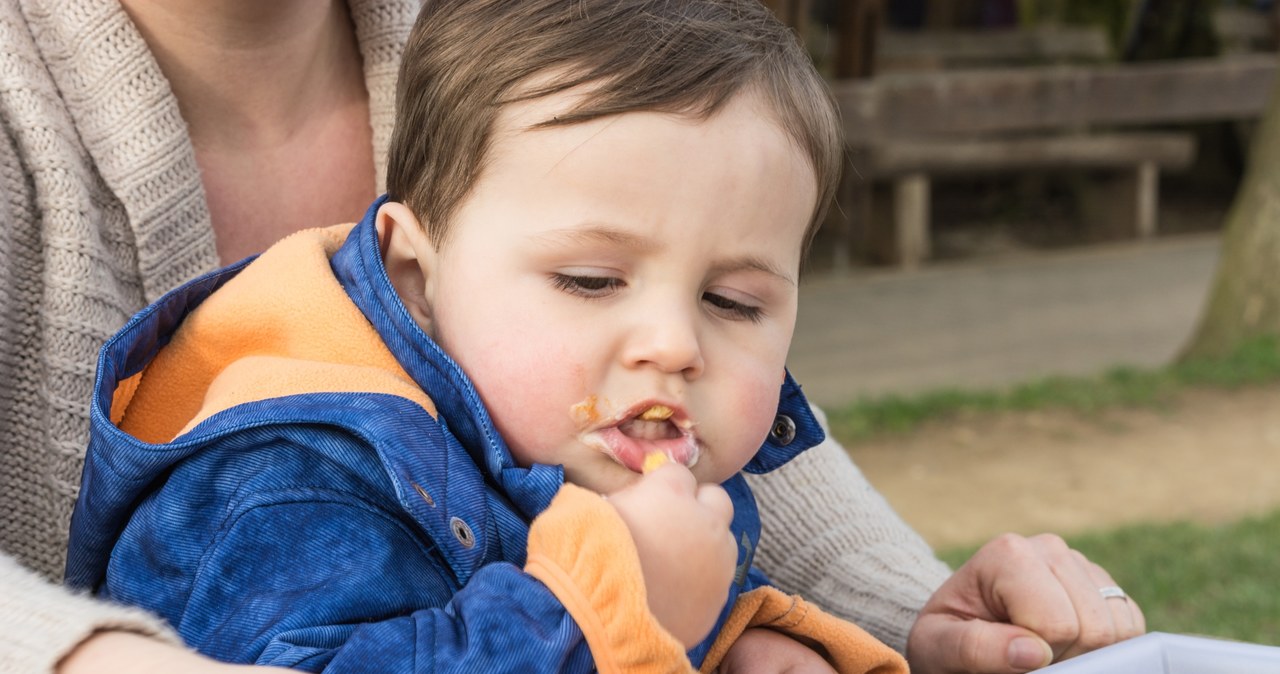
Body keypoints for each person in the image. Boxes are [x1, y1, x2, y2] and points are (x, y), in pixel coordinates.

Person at [0, 0, 1142, 672]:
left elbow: (741, 491)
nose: (675, 347)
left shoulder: (541, 26)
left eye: (735, 304)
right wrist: (603, 607)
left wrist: (890, 626)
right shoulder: (286, 484)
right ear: (411, 264)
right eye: (591, 278)